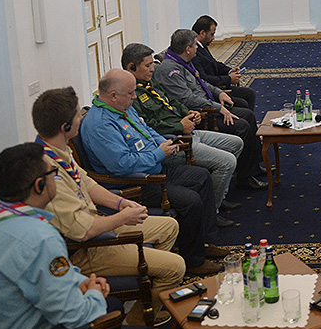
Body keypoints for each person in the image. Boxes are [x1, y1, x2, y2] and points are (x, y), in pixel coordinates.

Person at [0, 143, 158, 329]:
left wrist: (80, 283)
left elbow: (39, 274)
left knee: (111, 304)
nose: (56, 178)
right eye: (54, 173)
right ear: (40, 185)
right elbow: (74, 316)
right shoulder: (40, 237)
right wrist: (93, 293)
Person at [33, 87, 184, 329]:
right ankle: (138, 323)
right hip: (87, 247)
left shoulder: (56, 150)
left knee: (168, 227)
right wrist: (121, 218)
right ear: (65, 126)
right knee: (176, 268)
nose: (81, 118)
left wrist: (120, 203)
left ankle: (146, 305)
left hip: (97, 222)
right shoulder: (47, 171)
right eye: (77, 115)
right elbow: (83, 231)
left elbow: (87, 183)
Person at [79, 69, 228, 276]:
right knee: (190, 200)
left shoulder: (123, 106)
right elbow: (122, 166)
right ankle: (194, 261)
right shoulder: (100, 125)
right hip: (135, 182)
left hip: (154, 165)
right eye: (130, 93)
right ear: (113, 95)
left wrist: (164, 142)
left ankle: (204, 242)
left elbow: (147, 130)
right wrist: (159, 153)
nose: (134, 96)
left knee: (202, 176)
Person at [122, 42, 243, 226]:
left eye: (152, 64)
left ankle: (215, 197)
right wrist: (179, 126)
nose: (153, 69)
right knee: (227, 162)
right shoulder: (130, 94)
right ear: (132, 67)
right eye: (147, 65)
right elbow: (148, 126)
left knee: (236, 143)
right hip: (175, 140)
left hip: (189, 130)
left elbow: (171, 101)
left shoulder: (149, 82)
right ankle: (211, 212)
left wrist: (188, 112)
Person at [152, 29, 266, 191]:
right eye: (194, 45)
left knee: (246, 112)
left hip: (208, 104)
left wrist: (219, 93)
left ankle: (251, 167)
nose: (197, 48)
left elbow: (201, 83)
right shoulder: (170, 70)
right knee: (242, 124)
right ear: (187, 49)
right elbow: (187, 99)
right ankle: (244, 177)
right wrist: (219, 108)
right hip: (200, 114)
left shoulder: (183, 62)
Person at [191, 15, 256, 114]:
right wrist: (229, 79)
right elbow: (204, 79)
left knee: (250, 93)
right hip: (212, 90)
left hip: (217, 85)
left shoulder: (202, 46)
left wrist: (229, 71)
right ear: (202, 33)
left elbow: (214, 63)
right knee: (243, 104)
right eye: (212, 34)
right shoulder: (194, 52)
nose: (213, 38)